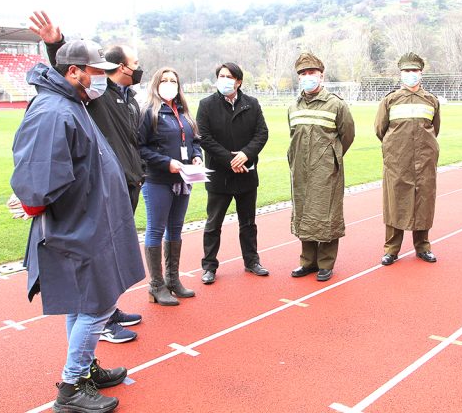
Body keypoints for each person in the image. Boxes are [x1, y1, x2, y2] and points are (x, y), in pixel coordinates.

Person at [10, 39, 145, 413]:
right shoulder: (54, 110)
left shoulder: (70, 102)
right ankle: (71, 387)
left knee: (84, 300)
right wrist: (30, 201)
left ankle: (84, 369)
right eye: (96, 72)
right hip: (78, 227)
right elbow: (38, 176)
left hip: (90, 222)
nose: (101, 79)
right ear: (74, 72)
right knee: (96, 304)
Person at [28, 10, 143, 342]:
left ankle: (109, 309)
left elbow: (131, 143)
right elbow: (70, 73)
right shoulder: (94, 97)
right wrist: (56, 44)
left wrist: (139, 173)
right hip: (98, 196)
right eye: (133, 64)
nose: (136, 70)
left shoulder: (128, 100)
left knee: (114, 262)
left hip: (126, 187)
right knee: (98, 271)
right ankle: (97, 333)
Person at [196, 62, 270, 284]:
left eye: (229, 76)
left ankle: (251, 261)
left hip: (246, 173)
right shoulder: (206, 105)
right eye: (221, 76)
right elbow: (204, 138)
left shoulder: (252, 104)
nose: (224, 80)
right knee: (213, 224)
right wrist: (230, 160)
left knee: (248, 223)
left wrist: (246, 154)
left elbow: (261, 133)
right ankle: (209, 266)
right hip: (220, 175)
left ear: (238, 81)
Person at [288, 52, 355, 282]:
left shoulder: (336, 104)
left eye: (312, 73)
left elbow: (347, 135)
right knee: (305, 213)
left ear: (321, 75)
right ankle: (307, 262)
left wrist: (331, 158)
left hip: (326, 171)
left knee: (326, 214)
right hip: (300, 170)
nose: (308, 77)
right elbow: (293, 136)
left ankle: (326, 263)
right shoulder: (293, 106)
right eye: (303, 74)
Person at [138, 67, 203, 305]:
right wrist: (167, 163)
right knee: (156, 229)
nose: (169, 84)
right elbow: (140, 148)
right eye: (164, 80)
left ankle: (173, 279)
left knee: (176, 229)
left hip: (183, 180)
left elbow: (195, 140)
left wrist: (196, 156)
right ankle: (156, 285)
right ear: (156, 83)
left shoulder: (183, 111)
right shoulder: (149, 112)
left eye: (173, 80)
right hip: (158, 180)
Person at [374, 52, 440, 265]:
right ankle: (391, 250)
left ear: (421, 74)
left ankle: (422, 246)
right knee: (395, 203)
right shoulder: (390, 100)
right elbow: (380, 129)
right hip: (397, 162)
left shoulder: (431, 101)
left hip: (424, 161)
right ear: (401, 74)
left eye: (414, 71)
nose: (411, 74)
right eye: (407, 71)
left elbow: (434, 129)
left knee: (423, 202)